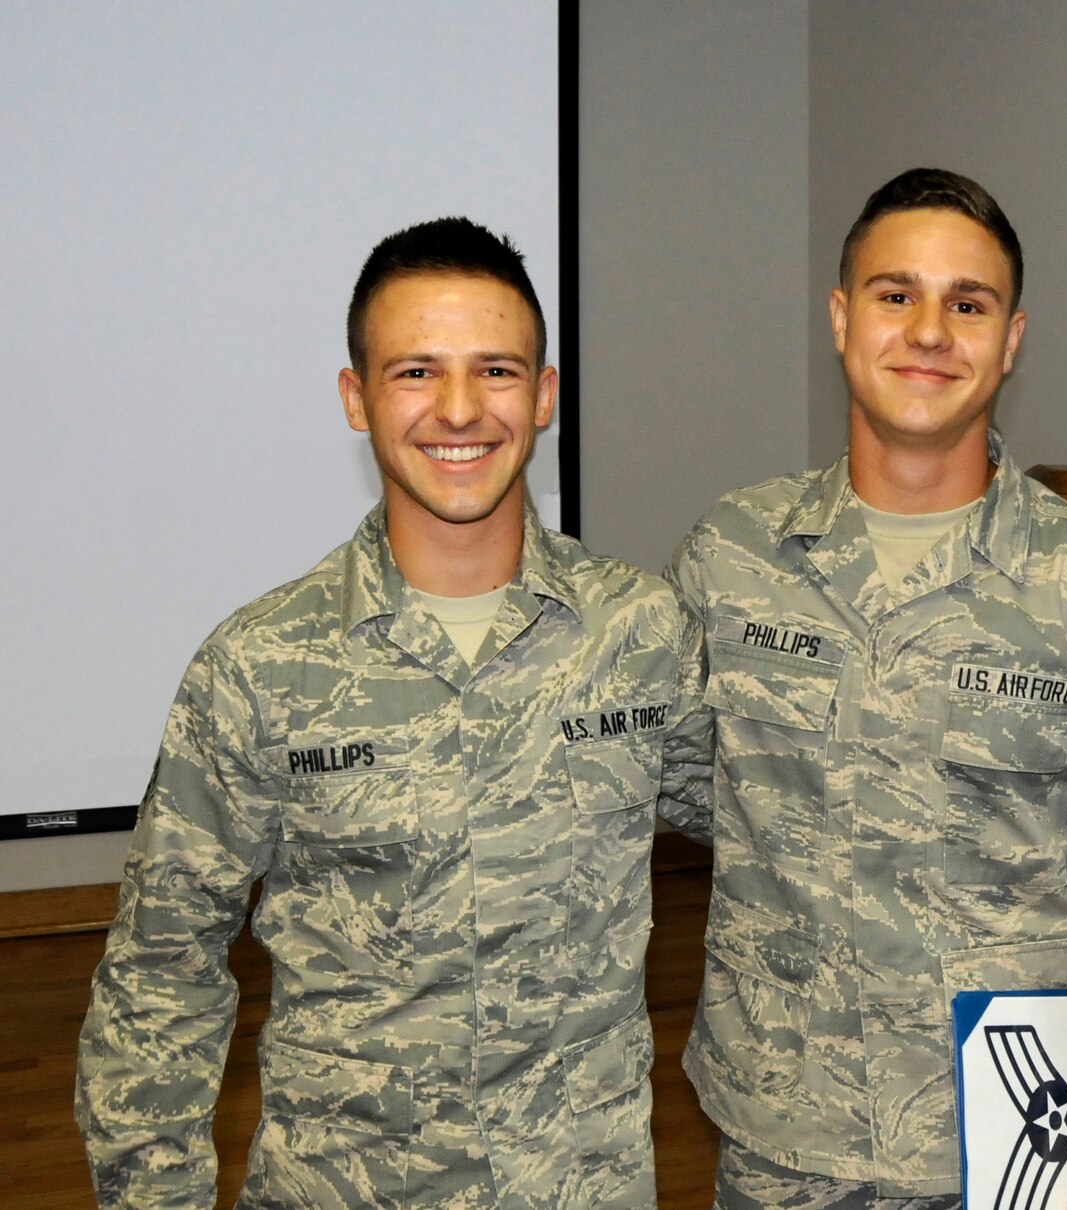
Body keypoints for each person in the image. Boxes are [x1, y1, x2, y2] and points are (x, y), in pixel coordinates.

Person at [75, 218, 704, 1208]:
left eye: (496, 370)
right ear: (355, 399)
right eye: (415, 371)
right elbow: (160, 973)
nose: (459, 410)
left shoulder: (642, 634)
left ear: (543, 397)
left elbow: (795, 823)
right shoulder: (258, 666)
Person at [662, 168, 1067, 1209]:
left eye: (966, 304)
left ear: (1010, 339)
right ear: (840, 318)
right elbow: (689, 788)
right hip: (782, 1143)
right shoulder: (731, 558)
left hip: (1014, 1149)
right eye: (894, 294)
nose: (928, 330)